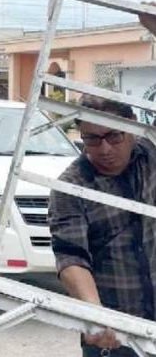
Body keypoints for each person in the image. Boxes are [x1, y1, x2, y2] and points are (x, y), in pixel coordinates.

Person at [49, 94, 156, 357]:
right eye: (92, 139)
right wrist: (95, 314)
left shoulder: (149, 155)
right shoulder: (70, 187)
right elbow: (71, 259)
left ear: (132, 126)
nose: (105, 149)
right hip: (115, 337)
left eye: (114, 136)